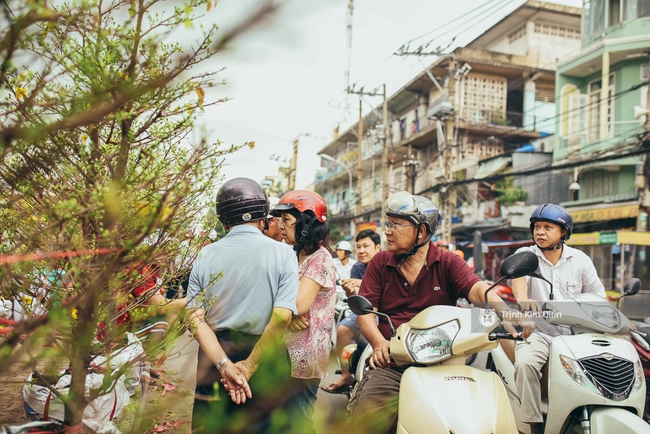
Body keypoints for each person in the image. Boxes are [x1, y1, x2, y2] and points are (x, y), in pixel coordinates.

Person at [347, 191, 532, 433]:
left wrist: (505, 311)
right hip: (393, 363)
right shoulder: (380, 262)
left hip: (443, 361)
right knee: (366, 421)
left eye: (395, 224)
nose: (387, 231)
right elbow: (366, 311)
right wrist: (379, 342)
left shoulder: (448, 263)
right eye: (387, 223)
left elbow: (477, 290)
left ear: (421, 231)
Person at [186, 178, 300, 433]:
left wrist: (224, 365)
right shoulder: (283, 254)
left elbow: (194, 318)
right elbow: (281, 318)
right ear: (263, 217)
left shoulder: (205, 255)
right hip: (265, 356)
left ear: (224, 220)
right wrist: (247, 367)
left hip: (214, 356)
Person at [510, 203, 606, 434]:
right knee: (525, 364)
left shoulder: (580, 260)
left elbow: (598, 296)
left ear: (563, 232)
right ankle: (533, 424)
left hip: (575, 336)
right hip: (539, 333)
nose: (540, 232)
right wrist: (523, 301)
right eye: (537, 227)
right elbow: (519, 281)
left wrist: (613, 317)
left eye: (547, 227)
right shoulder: (525, 256)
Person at [272, 190, 337, 434]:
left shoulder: (320, 258)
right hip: (288, 348)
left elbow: (299, 305)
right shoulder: (296, 255)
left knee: (299, 419)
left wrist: (289, 312)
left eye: (286, 221)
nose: (280, 227)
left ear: (306, 224)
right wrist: (287, 316)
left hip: (306, 352)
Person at [321, 229, 381, 394]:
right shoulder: (357, 267)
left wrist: (359, 283)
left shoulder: (385, 264)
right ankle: (347, 375)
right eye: (358, 247)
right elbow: (358, 298)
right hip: (364, 310)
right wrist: (350, 292)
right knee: (342, 330)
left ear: (378, 248)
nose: (361, 251)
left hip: (384, 312)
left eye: (366, 246)